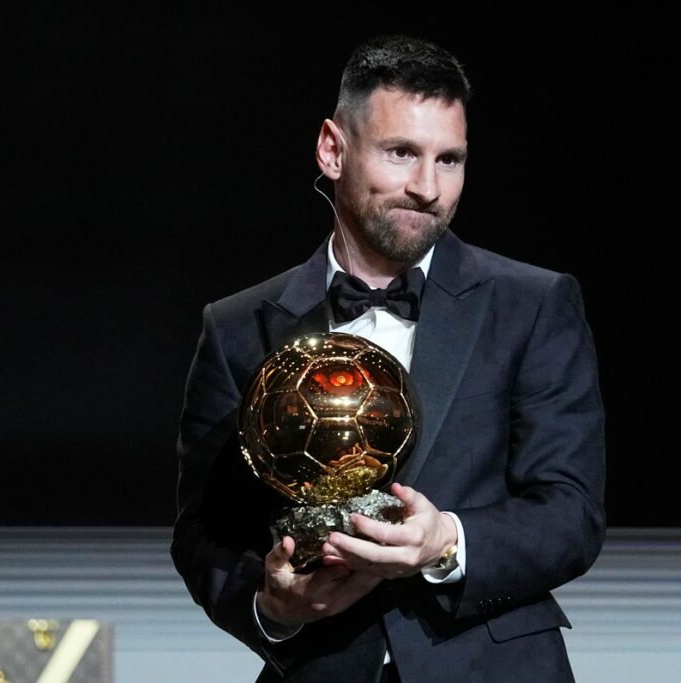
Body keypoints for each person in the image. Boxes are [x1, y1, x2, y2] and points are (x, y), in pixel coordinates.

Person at [171, 34, 607, 682]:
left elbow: (572, 513)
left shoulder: (533, 304)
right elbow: (203, 534)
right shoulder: (238, 326)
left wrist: (446, 541)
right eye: (401, 153)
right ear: (333, 149)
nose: (428, 187)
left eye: (449, 160)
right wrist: (273, 607)